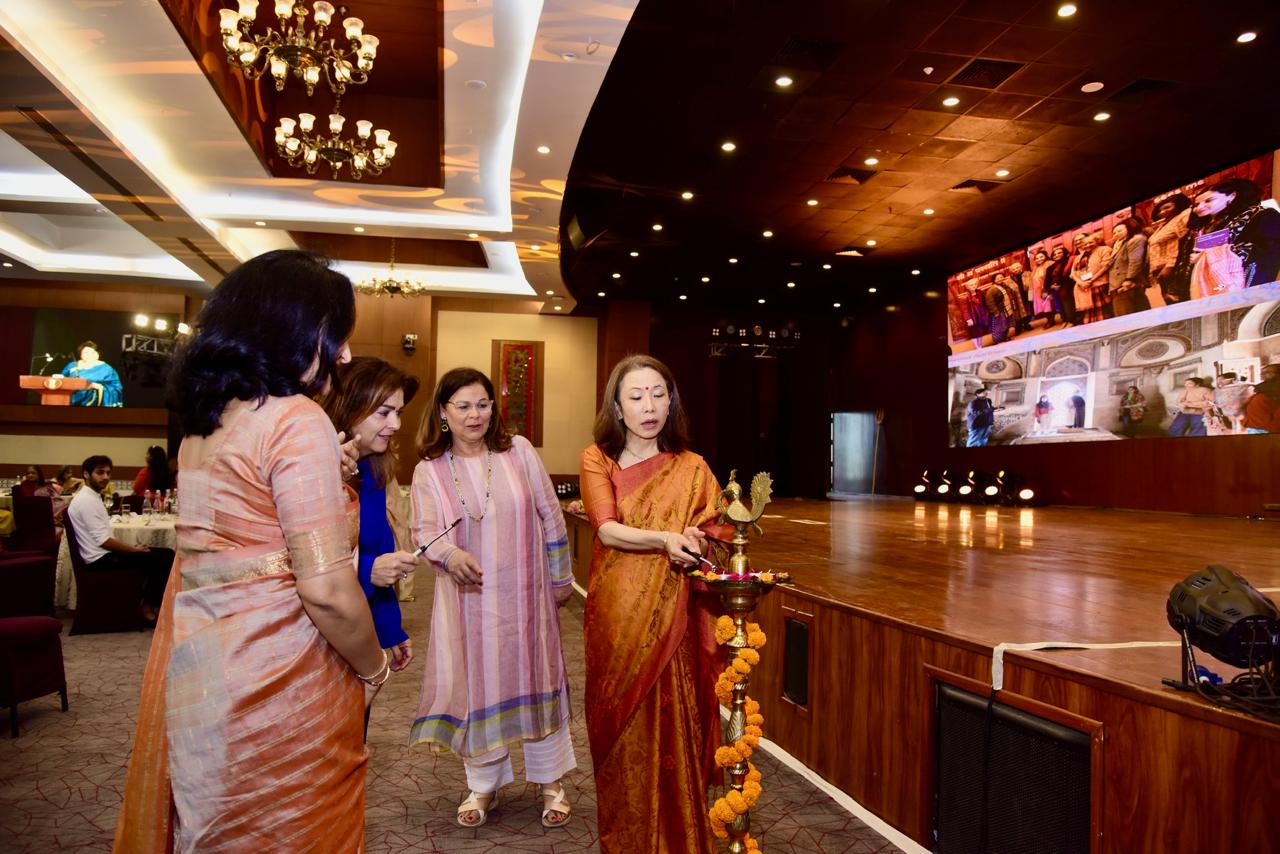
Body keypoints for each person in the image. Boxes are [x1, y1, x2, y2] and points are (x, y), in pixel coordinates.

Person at [112, 250, 385, 853]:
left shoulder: (205, 423)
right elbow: (326, 591)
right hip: (281, 675)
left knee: (220, 823)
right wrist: (374, 668)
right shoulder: (296, 419)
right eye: (336, 334)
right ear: (292, 328)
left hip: (204, 666)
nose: (343, 354)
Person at [410, 367, 576, 829]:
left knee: (537, 681)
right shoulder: (429, 471)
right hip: (470, 603)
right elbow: (424, 532)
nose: (475, 415)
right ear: (443, 412)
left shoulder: (517, 451)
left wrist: (560, 580)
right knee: (480, 688)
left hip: (528, 597)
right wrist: (450, 555)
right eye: (463, 406)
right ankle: (484, 785)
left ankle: (551, 783)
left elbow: (551, 516)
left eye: (483, 404)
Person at [579, 354, 728, 854]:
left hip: (675, 616)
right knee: (621, 725)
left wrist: (698, 539)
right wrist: (666, 538)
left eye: (659, 394)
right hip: (619, 612)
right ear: (617, 407)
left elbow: (719, 531)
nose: (649, 406)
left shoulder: (693, 468)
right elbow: (606, 528)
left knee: (677, 717)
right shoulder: (597, 459)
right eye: (637, 396)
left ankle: (681, 836)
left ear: (671, 401)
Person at [318, 356, 420, 711]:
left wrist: (390, 629)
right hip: (318, 639)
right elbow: (293, 565)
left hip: (360, 631)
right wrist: (368, 570)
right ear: (350, 407)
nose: (396, 424)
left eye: (399, 413)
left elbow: (378, 555)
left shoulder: (373, 468)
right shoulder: (314, 467)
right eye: (384, 413)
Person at [65, 455, 173, 622]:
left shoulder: (91, 496)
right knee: (164, 558)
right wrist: (133, 550)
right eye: (100, 472)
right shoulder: (87, 501)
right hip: (99, 560)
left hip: (102, 555)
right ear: (86, 474)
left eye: (108, 473)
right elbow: (104, 541)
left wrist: (132, 549)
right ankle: (146, 608)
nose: (105, 477)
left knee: (164, 554)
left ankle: (144, 604)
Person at [1187, 178, 1280, 298]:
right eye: (1196, 205)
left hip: (1251, 286)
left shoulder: (1263, 213)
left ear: (1232, 196)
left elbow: (1268, 247)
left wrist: (1207, 255)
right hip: (1216, 287)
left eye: (1209, 200)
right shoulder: (1212, 225)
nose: (1200, 207)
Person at [1147, 193, 1193, 304]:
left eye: (1167, 207)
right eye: (1160, 210)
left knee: (1180, 302)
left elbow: (1184, 243)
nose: (1162, 212)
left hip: (1173, 268)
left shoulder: (1183, 216)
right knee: (1170, 303)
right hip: (1161, 269)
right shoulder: (1165, 222)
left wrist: (1170, 266)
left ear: (1179, 204)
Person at [1106, 216, 1150, 316]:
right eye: (1114, 233)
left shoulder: (1135, 239)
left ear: (1129, 229)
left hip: (1125, 284)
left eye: (1119, 231)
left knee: (1126, 315)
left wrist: (1129, 280)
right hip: (1120, 284)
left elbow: (1135, 261)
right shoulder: (1120, 244)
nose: (1116, 234)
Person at [61, 340, 123, 407]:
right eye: (86, 352)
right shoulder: (72, 366)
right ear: (81, 354)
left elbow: (116, 387)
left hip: (93, 402)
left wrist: (98, 386)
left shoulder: (106, 368)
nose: (89, 355)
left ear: (97, 354)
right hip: (70, 399)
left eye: (92, 352)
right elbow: (61, 380)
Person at [1071, 232, 1113, 324]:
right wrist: (1081, 283)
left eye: (1090, 242)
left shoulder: (1104, 249)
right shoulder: (1079, 257)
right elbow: (1073, 273)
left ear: (1096, 241)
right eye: (1085, 244)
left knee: (1105, 315)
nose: (1087, 245)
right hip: (1085, 289)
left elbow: (1105, 266)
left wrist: (1092, 280)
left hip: (1100, 286)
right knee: (1090, 317)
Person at [1044, 244, 1077, 326]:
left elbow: (1070, 275)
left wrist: (1060, 285)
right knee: (1059, 306)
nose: (1056, 255)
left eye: (1059, 253)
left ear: (1064, 253)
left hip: (1066, 287)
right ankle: (1065, 320)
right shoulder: (1050, 268)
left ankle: (1071, 321)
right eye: (1054, 254)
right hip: (1054, 289)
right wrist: (1051, 286)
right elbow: (1047, 281)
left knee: (1068, 304)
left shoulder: (1068, 262)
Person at [1242, 364, 1280, 433]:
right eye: (1262, 372)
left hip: (1265, 428)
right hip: (1256, 425)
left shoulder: (1274, 388)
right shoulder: (1262, 387)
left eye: (1267, 372)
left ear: (1277, 374)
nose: (1262, 374)